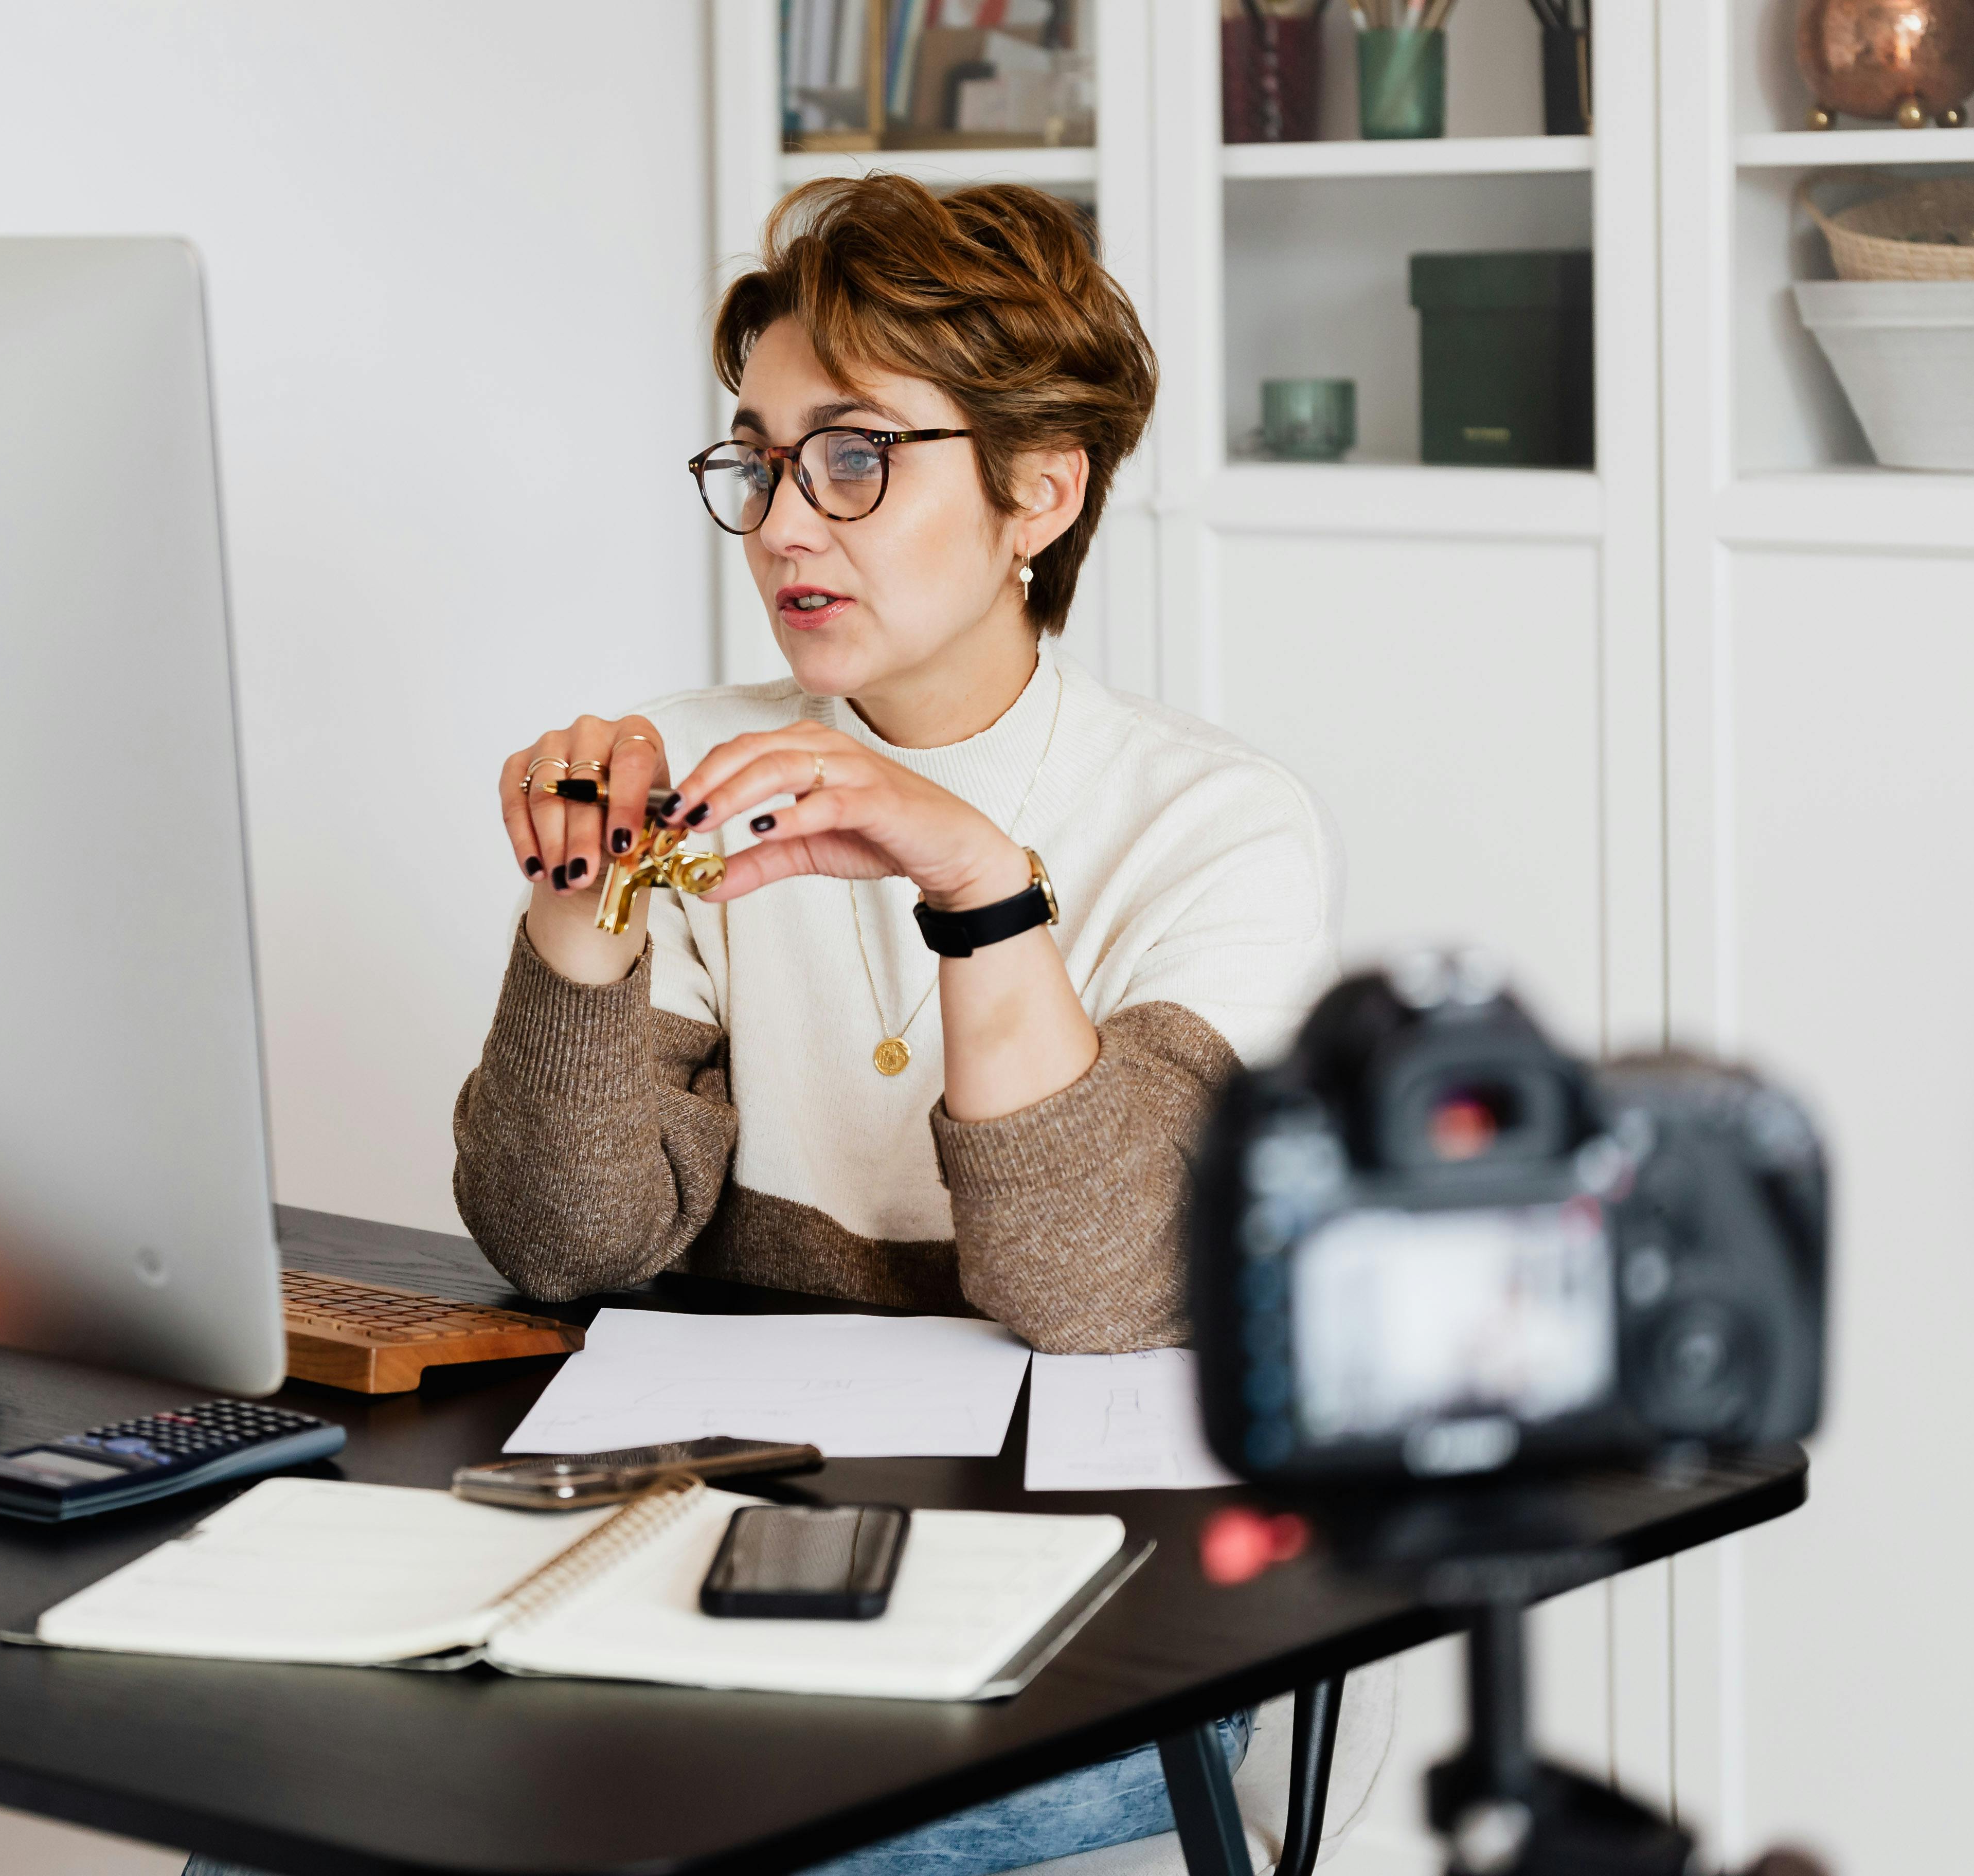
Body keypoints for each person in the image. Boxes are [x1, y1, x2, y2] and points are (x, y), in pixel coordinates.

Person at [448, 177, 1340, 1872]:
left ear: (1038, 492)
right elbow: (568, 1241)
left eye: (855, 456)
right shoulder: (692, 769)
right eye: (760, 459)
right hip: (728, 1558)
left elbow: (1097, 1293)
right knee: (302, 1814)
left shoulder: (1219, 824)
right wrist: (579, 913)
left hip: (1112, 1617)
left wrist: (978, 886)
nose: (788, 524)